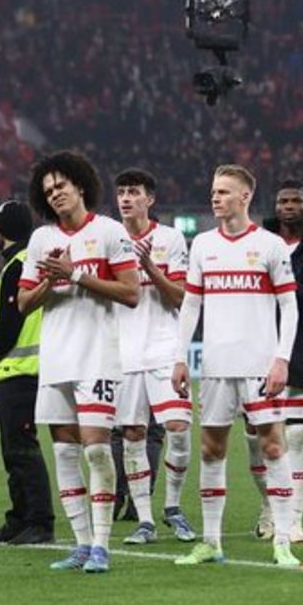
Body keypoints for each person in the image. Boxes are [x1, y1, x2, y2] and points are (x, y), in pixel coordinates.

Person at [170, 165, 300, 568]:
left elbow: (289, 305)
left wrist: (282, 358)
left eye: (224, 191)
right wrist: (179, 356)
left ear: (245, 197)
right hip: (215, 367)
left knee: (274, 446)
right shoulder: (203, 245)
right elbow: (191, 304)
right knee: (211, 450)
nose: (216, 197)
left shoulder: (270, 245)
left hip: (260, 365)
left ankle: (283, 539)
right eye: (214, 191)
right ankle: (211, 541)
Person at [17, 151, 140, 574]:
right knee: (65, 452)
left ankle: (103, 544)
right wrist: (51, 281)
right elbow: (23, 303)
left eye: (61, 186)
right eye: (48, 191)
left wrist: (75, 276)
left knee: (96, 448)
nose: (55, 195)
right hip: (56, 357)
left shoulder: (109, 232)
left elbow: (131, 292)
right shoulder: (40, 241)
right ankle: (82, 545)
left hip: (97, 358)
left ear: (80, 186)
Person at [110, 168, 196, 545]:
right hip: (122, 353)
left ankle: (173, 507)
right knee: (132, 433)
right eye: (121, 193)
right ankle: (144, 519)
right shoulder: (107, 239)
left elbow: (180, 297)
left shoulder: (170, 238)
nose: (126, 198)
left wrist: (146, 267)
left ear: (150, 199)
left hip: (164, 347)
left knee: (178, 429)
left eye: (134, 192)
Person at [0, 200, 54, 545]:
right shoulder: (16, 265)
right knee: (14, 451)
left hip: (22, 372)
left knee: (23, 451)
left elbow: (7, 326)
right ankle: (19, 518)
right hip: (12, 373)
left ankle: (39, 520)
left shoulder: (18, 267)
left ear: (0, 228)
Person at [258, 179, 303, 543]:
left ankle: (294, 519)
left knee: (298, 434)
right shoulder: (259, 239)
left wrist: (284, 285)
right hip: (258, 346)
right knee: (262, 438)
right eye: (283, 200)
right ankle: (269, 509)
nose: (289, 206)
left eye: (296, 200)